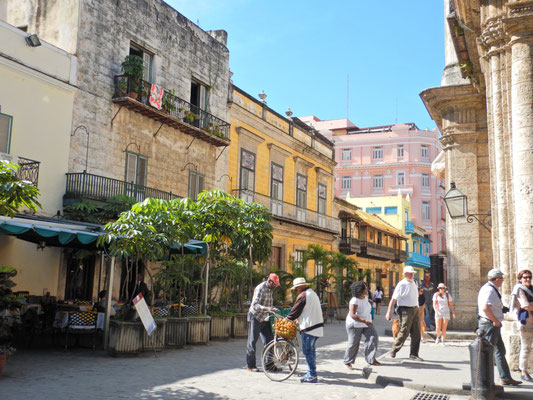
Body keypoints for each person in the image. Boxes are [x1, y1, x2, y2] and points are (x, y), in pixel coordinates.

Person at [477, 268, 522, 386]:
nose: (503, 281)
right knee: (488, 352)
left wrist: (503, 310)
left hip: (491, 324)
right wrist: (495, 320)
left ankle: (505, 377)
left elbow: (492, 306)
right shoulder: (489, 291)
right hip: (489, 324)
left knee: (500, 351)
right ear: (497, 279)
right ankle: (486, 381)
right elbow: (485, 308)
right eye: (502, 278)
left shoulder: (490, 289)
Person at [287, 277, 324, 383]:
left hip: (310, 327)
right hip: (317, 326)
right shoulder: (312, 293)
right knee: (311, 350)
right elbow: (307, 309)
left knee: (308, 351)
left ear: (299, 287)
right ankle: (311, 372)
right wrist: (299, 318)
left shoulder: (303, 295)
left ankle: (312, 374)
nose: (296, 290)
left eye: (296, 288)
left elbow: (295, 311)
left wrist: (287, 319)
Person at [385, 265, 423, 361]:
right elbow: (394, 299)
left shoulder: (414, 282)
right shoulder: (401, 284)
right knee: (404, 330)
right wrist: (389, 312)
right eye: (409, 273)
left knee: (416, 332)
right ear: (405, 274)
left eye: (412, 273)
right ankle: (394, 349)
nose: (411, 275)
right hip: (405, 309)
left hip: (415, 308)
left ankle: (414, 354)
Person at [246, 273, 280, 372]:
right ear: (269, 281)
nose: (275, 287)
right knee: (252, 342)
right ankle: (251, 366)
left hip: (265, 317)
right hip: (256, 317)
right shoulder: (260, 288)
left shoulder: (270, 290)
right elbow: (255, 305)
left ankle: (269, 365)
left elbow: (269, 303)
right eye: (274, 285)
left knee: (270, 341)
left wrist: (273, 309)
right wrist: (267, 308)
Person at [344, 281, 381, 370]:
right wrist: (364, 321)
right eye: (365, 287)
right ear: (360, 290)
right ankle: (348, 362)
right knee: (353, 343)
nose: (367, 288)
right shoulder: (354, 300)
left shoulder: (365, 297)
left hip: (366, 322)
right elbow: (352, 314)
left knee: (373, 337)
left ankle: (371, 359)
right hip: (355, 324)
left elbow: (365, 306)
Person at [514, 269, 533, 382]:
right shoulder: (519, 289)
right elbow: (525, 306)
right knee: (526, 347)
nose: (528, 279)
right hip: (525, 321)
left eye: (530, 277)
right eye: (525, 277)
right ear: (520, 279)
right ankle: (523, 371)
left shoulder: (531, 288)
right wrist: (529, 305)